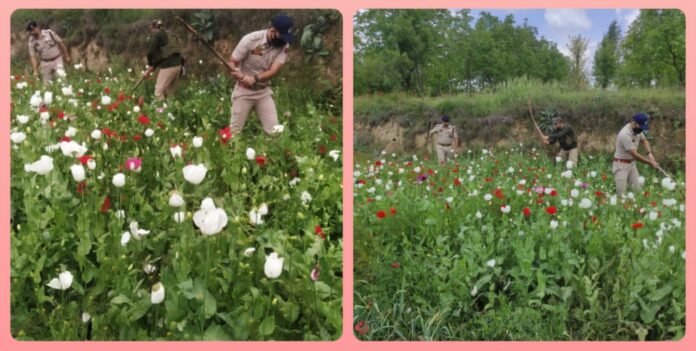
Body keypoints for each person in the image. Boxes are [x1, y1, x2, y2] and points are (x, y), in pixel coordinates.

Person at [227, 14, 294, 135]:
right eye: (282, 36)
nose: (284, 40)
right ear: (273, 30)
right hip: (244, 92)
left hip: (263, 92)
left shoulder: (284, 44)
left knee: (275, 132)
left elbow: (273, 70)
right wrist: (236, 72)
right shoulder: (250, 40)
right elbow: (232, 62)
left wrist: (255, 78)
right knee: (233, 134)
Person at [613, 113, 659, 197]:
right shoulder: (625, 134)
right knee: (621, 194)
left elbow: (644, 140)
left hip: (632, 165)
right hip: (621, 166)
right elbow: (634, 154)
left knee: (638, 191)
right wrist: (650, 163)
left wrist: (649, 153)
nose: (641, 129)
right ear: (634, 123)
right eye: (640, 127)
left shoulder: (637, 130)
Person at [144, 19, 184, 100]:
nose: (151, 31)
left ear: (155, 28)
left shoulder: (158, 35)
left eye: (151, 29)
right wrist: (153, 67)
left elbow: (150, 53)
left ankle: (161, 112)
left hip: (168, 66)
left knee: (158, 92)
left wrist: (150, 65)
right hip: (178, 66)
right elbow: (163, 55)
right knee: (171, 94)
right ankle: (172, 111)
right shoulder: (170, 35)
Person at [26, 20, 71, 85]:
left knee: (62, 80)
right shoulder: (31, 41)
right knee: (46, 85)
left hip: (57, 60)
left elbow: (61, 44)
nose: (32, 32)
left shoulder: (49, 33)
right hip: (45, 63)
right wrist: (35, 70)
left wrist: (67, 56)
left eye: (34, 29)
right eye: (30, 31)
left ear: (37, 27)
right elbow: (33, 57)